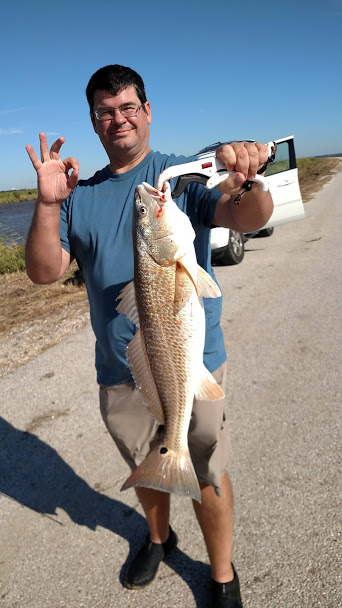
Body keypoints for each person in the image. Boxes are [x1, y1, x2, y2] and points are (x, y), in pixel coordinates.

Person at [25, 64, 273, 608]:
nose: (119, 119)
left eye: (128, 107)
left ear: (147, 112)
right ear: (95, 123)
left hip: (192, 363)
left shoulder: (179, 177)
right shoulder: (77, 195)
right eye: (106, 112)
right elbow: (44, 273)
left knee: (206, 470)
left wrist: (249, 177)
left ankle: (223, 573)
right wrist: (47, 203)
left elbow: (247, 216)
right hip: (119, 369)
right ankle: (159, 538)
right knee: (147, 469)